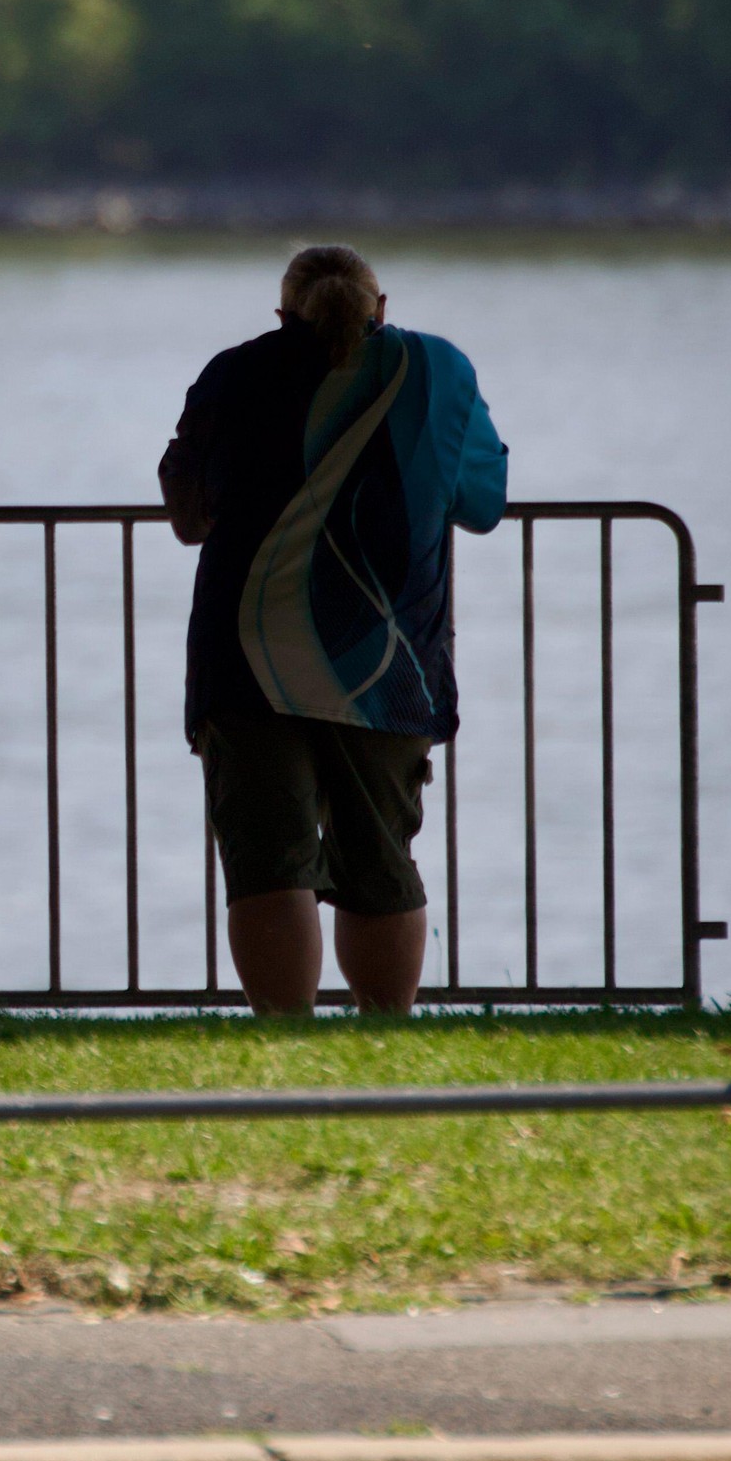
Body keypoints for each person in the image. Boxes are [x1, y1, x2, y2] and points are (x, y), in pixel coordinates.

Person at [159, 245, 508, 1016]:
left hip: (248, 652)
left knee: (269, 860)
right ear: (381, 308)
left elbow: (187, 514)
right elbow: (482, 502)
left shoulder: (234, 371)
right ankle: (382, 1036)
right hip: (385, 660)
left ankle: (285, 1043)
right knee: (379, 860)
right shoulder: (438, 369)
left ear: (283, 316)